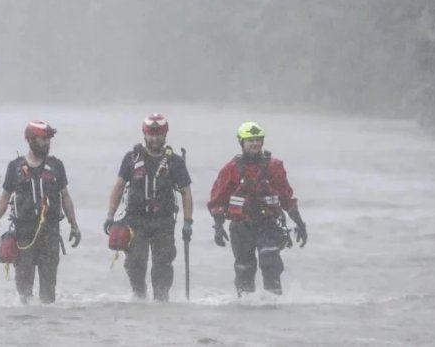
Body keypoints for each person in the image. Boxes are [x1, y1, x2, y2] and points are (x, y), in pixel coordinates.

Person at [0, 119, 82, 304]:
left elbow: (65, 196)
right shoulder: (15, 167)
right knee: (24, 293)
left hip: (50, 235)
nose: (47, 143)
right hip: (24, 237)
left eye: (49, 139)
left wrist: (74, 225)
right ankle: (26, 320)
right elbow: (5, 196)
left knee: (48, 294)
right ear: (30, 140)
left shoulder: (56, 166)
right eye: (43, 139)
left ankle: (47, 320)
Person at [207, 121, 307, 296]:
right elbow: (218, 200)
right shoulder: (230, 169)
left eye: (258, 140)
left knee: (270, 263)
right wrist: (218, 227)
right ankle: (245, 305)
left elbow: (286, 197)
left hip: (268, 224)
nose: (255, 143)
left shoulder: (274, 167)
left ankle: (274, 303)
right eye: (250, 140)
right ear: (242, 142)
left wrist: (300, 223)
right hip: (241, 227)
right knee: (244, 269)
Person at [104, 113, 193, 301]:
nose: (154, 138)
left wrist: (188, 222)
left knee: (163, 265)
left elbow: (186, 193)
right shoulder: (131, 158)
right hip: (135, 221)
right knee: (135, 263)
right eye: (150, 134)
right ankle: (139, 299)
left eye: (158, 134)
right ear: (144, 134)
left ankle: (161, 302)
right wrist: (110, 215)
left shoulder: (175, 162)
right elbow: (118, 187)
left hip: (164, 223)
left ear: (165, 134)